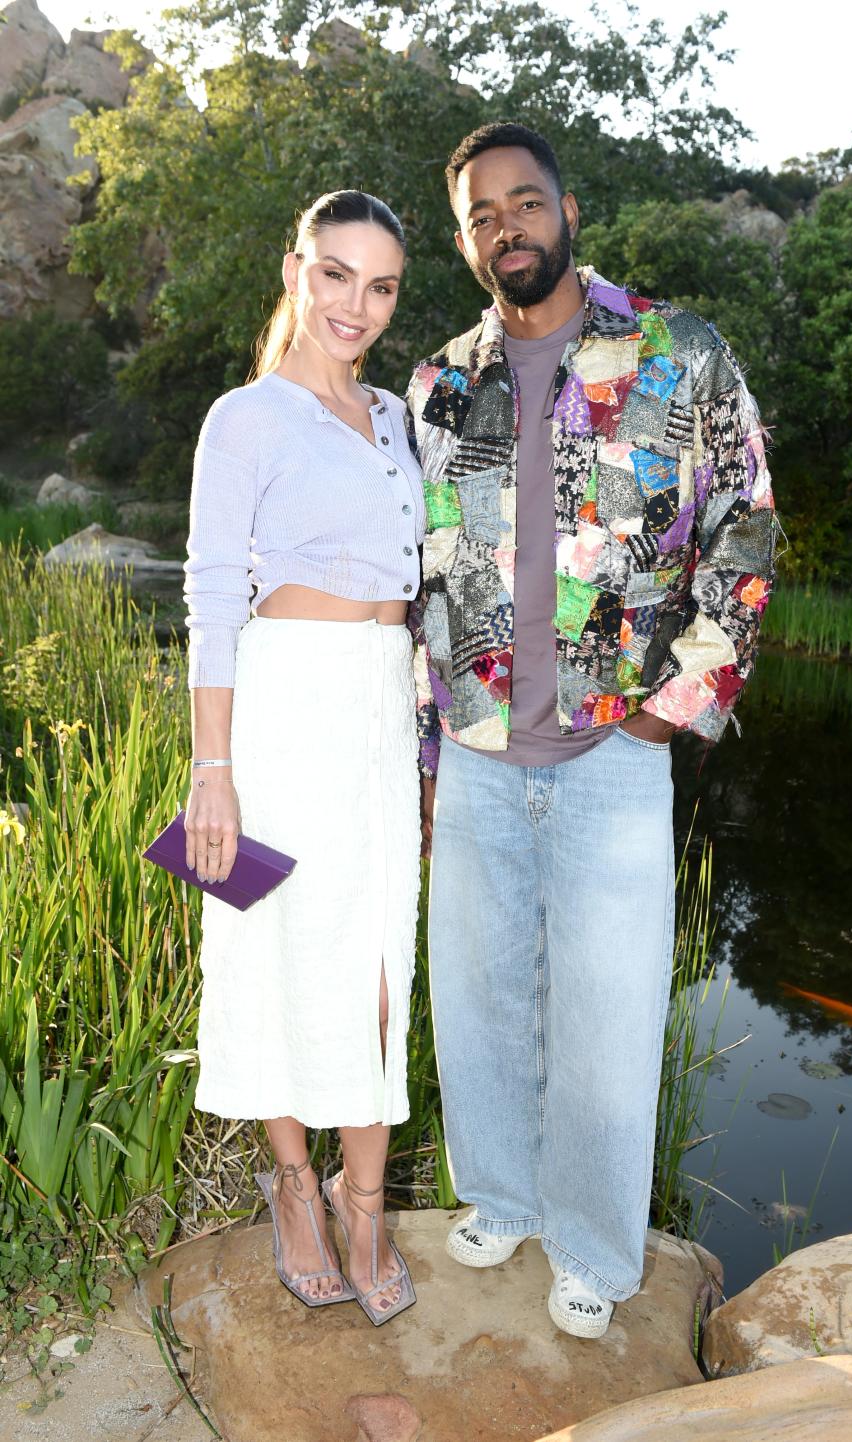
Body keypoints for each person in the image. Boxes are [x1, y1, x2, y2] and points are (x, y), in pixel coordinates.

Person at [407, 124, 776, 1338]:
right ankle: (504, 1195)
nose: (506, 224)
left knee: (611, 1019)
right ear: (466, 239)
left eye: (525, 201)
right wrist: (425, 744)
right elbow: (420, 574)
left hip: (616, 750)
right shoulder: (438, 384)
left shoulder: (679, 354)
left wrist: (676, 711)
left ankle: (599, 1250)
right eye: (481, 214)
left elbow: (748, 529)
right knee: (480, 996)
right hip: (473, 748)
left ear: (569, 209)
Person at [182, 190, 424, 1326]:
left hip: (383, 702)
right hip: (281, 701)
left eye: (380, 287)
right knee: (271, 939)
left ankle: (362, 1197)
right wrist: (210, 768)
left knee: (380, 963)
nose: (357, 306)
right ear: (295, 271)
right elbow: (212, 597)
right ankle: (293, 1183)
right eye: (338, 275)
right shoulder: (245, 417)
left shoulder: (395, 416)